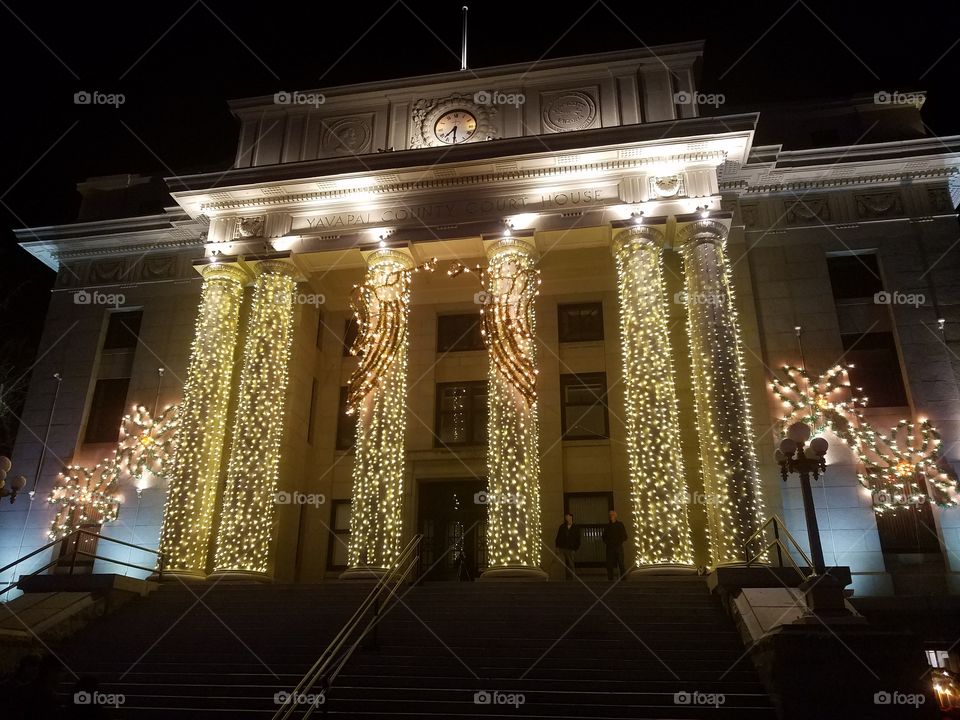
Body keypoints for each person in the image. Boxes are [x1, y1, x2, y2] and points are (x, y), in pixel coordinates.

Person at [602, 509, 628, 581]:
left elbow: (624, 536)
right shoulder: (607, 526)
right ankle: (610, 579)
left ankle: (623, 579)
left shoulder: (620, 525)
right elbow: (604, 537)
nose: (611, 516)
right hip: (610, 547)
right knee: (609, 564)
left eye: (612, 515)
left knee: (621, 563)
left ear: (616, 516)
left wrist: (619, 541)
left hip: (618, 547)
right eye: (610, 515)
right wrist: (608, 543)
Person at [554, 512, 581, 581]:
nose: (567, 518)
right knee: (564, 563)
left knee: (571, 563)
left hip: (571, 548)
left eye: (568, 517)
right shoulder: (562, 527)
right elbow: (558, 537)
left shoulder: (575, 527)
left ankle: (572, 577)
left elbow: (578, 538)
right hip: (563, 547)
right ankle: (566, 576)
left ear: (571, 517)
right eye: (566, 517)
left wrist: (575, 548)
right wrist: (557, 546)